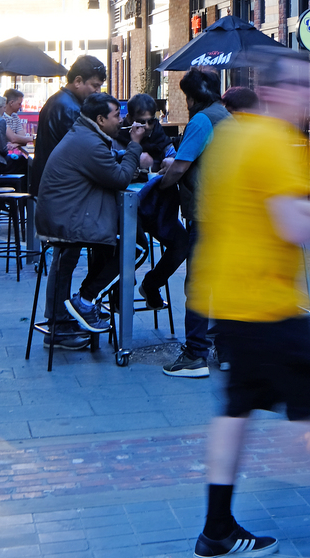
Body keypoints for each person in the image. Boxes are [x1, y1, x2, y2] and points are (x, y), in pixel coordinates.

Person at [187, 53, 310, 558]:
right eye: (309, 87)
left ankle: (216, 530)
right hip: (272, 306)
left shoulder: (231, 136)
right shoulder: (279, 142)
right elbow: (291, 226)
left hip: (229, 300)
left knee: (234, 413)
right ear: (279, 92)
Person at [35, 93, 145, 347]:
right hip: (67, 220)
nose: (121, 120)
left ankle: (82, 305)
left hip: (67, 214)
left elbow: (104, 168)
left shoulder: (85, 134)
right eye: (117, 115)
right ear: (100, 119)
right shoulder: (90, 143)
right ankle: (84, 301)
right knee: (136, 247)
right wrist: (134, 145)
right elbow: (119, 179)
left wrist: (119, 157)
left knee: (116, 244)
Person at [155, 69, 232, 373]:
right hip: (230, 211)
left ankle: (196, 354)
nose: (186, 101)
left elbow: (179, 168)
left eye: (187, 95)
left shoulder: (201, 121)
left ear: (193, 96)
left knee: (198, 283)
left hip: (207, 212)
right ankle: (227, 352)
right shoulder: (227, 117)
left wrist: (158, 183)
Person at [30, 55, 106, 194]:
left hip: (49, 184)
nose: (97, 91)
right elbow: (82, 151)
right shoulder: (71, 109)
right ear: (78, 81)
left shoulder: (56, 100)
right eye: (95, 85)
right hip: (61, 188)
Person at [126, 92, 175, 172]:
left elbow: (174, 157)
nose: (147, 126)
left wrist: (171, 162)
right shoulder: (120, 136)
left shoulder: (160, 136)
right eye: (141, 122)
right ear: (129, 119)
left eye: (151, 121)